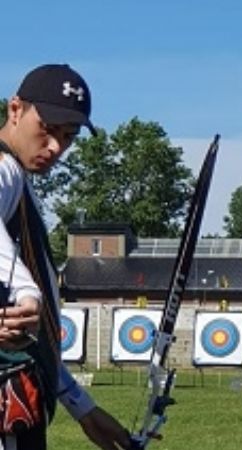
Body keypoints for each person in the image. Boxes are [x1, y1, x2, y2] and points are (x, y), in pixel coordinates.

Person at [0, 64, 131, 449]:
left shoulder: (20, 184)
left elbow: (29, 338)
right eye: (48, 129)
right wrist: (29, 292)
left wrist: (82, 407)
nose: (56, 147)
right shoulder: (5, 168)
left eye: (68, 136)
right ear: (15, 110)